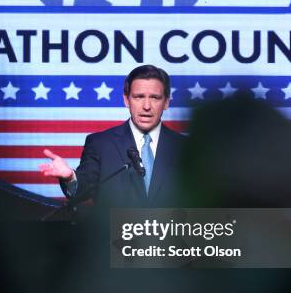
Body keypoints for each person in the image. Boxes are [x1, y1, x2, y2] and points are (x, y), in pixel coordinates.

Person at [39, 64, 185, 208]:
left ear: (166, 102)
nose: (146, 106)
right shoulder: (100, 144)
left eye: (155, 98)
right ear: (126, 100)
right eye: (139, 97)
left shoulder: (187, 147)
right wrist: (70, 177)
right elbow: (85, 190)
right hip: (115, 231)